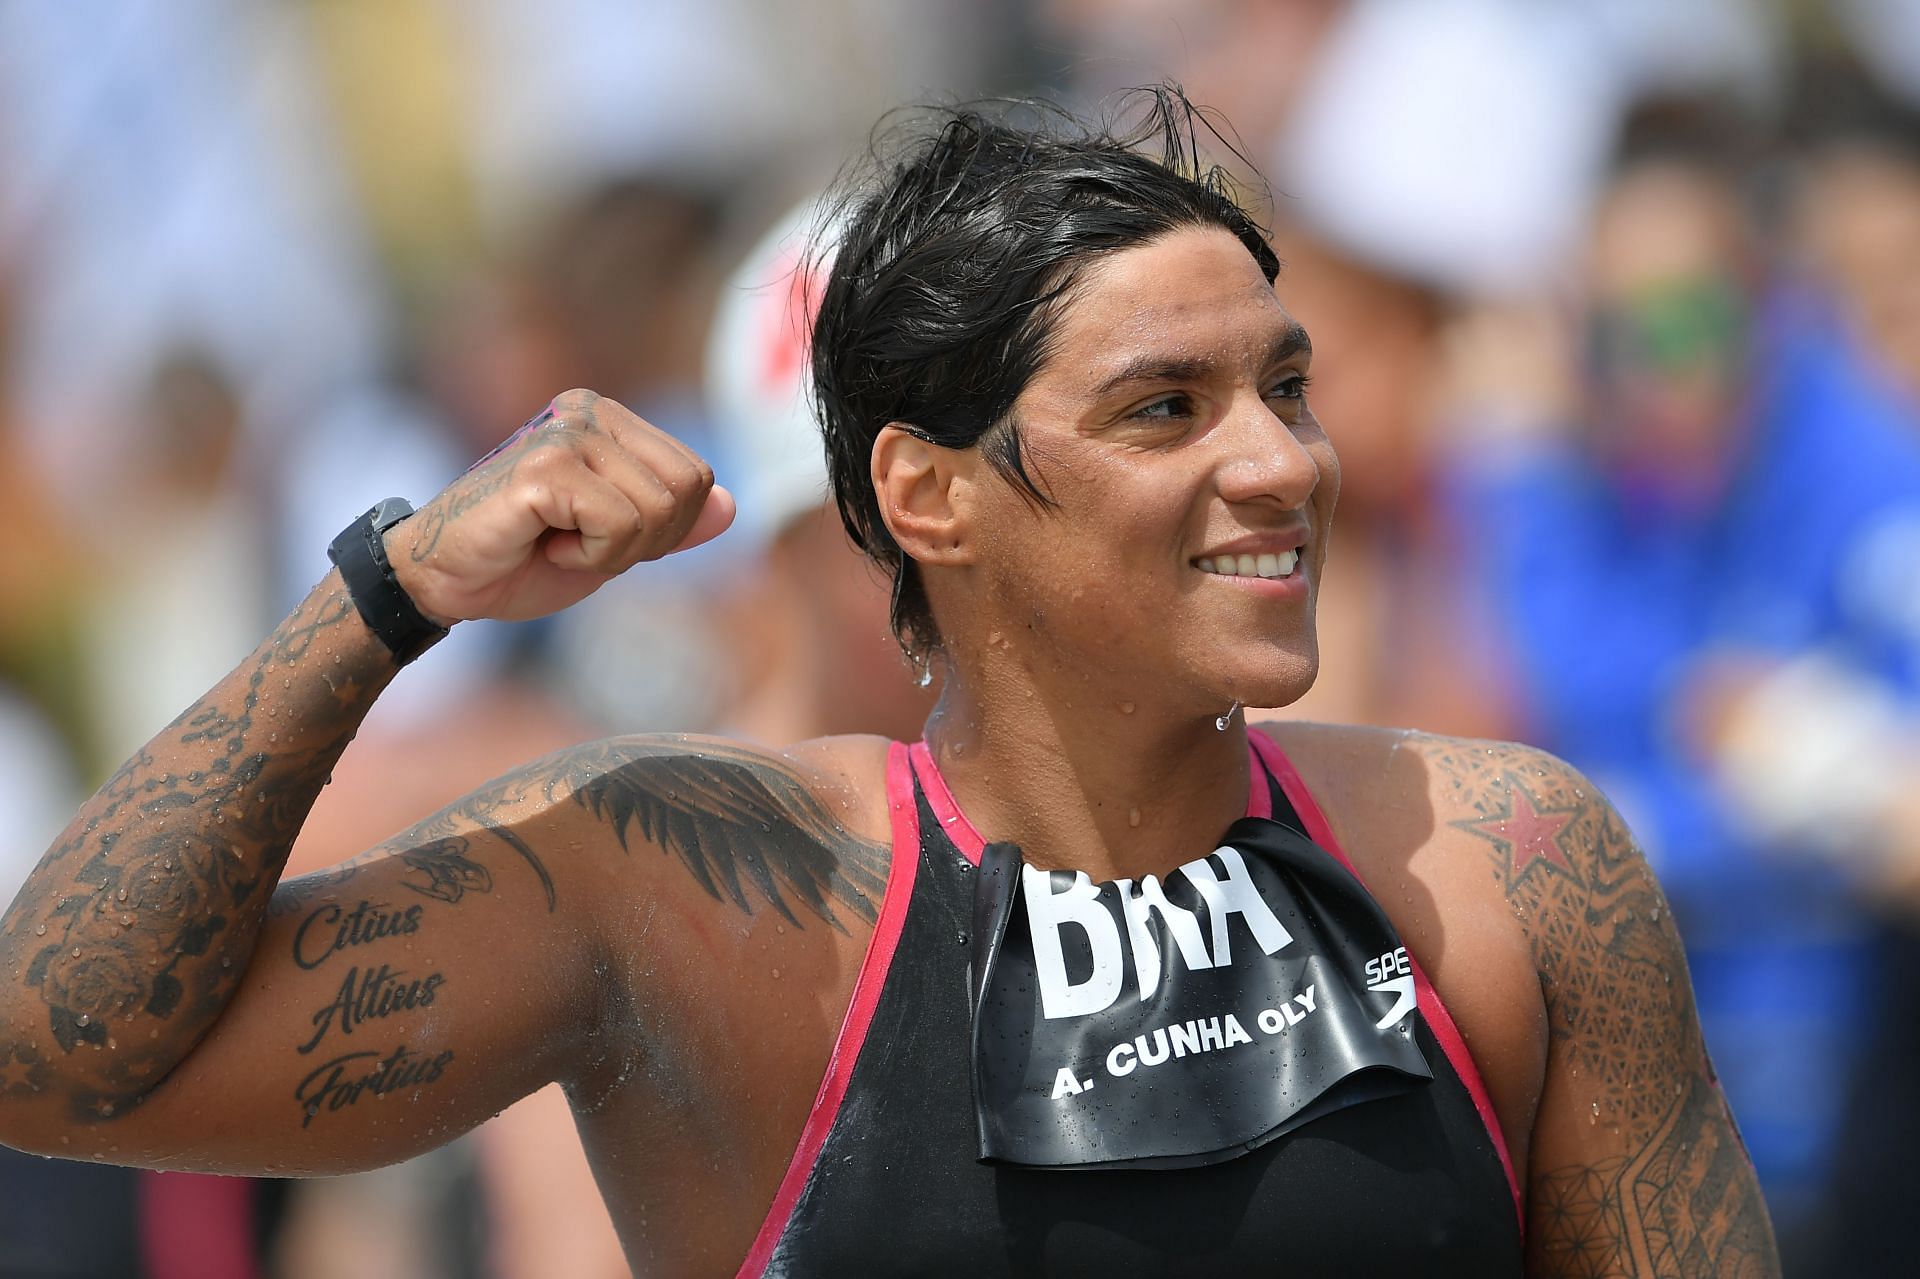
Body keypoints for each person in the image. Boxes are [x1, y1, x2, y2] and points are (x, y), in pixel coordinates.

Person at [0, 91, 1776, 1276]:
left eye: (1286, 386)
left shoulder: (1504, 865)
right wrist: (380, 595)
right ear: (926, 496)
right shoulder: (712, 897)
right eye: (1168, 407)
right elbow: (51, 1056)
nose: (1283, 464)